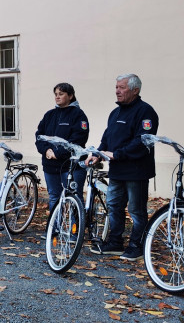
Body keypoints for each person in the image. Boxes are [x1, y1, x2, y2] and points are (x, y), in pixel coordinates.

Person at [87, 74, 159, 261]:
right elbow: (107, 138)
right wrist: (97, 153)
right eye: (116, 87)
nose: (117, 91)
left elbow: (142, 142)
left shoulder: (146, 112)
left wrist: (117, 154)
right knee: (114, 206)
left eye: (122, 87)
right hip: (117, 170)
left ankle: (136, 245)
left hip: (136, 170)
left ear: (135, 90)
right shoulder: (115, 113)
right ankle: (115, 242)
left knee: (136, 210)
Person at [34, 83, 89, 214]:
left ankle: (75, 232)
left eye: (61, 94)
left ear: (70, 96)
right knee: (54, 197)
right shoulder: (49, 115)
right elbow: (39, 136)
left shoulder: (78, 115)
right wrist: (47, 150)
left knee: (74, 199)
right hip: (50, 165)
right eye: (56, 94)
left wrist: (57, 153)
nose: (57, 97)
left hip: (70, 165)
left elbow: (78, 139)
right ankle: (55, 230)